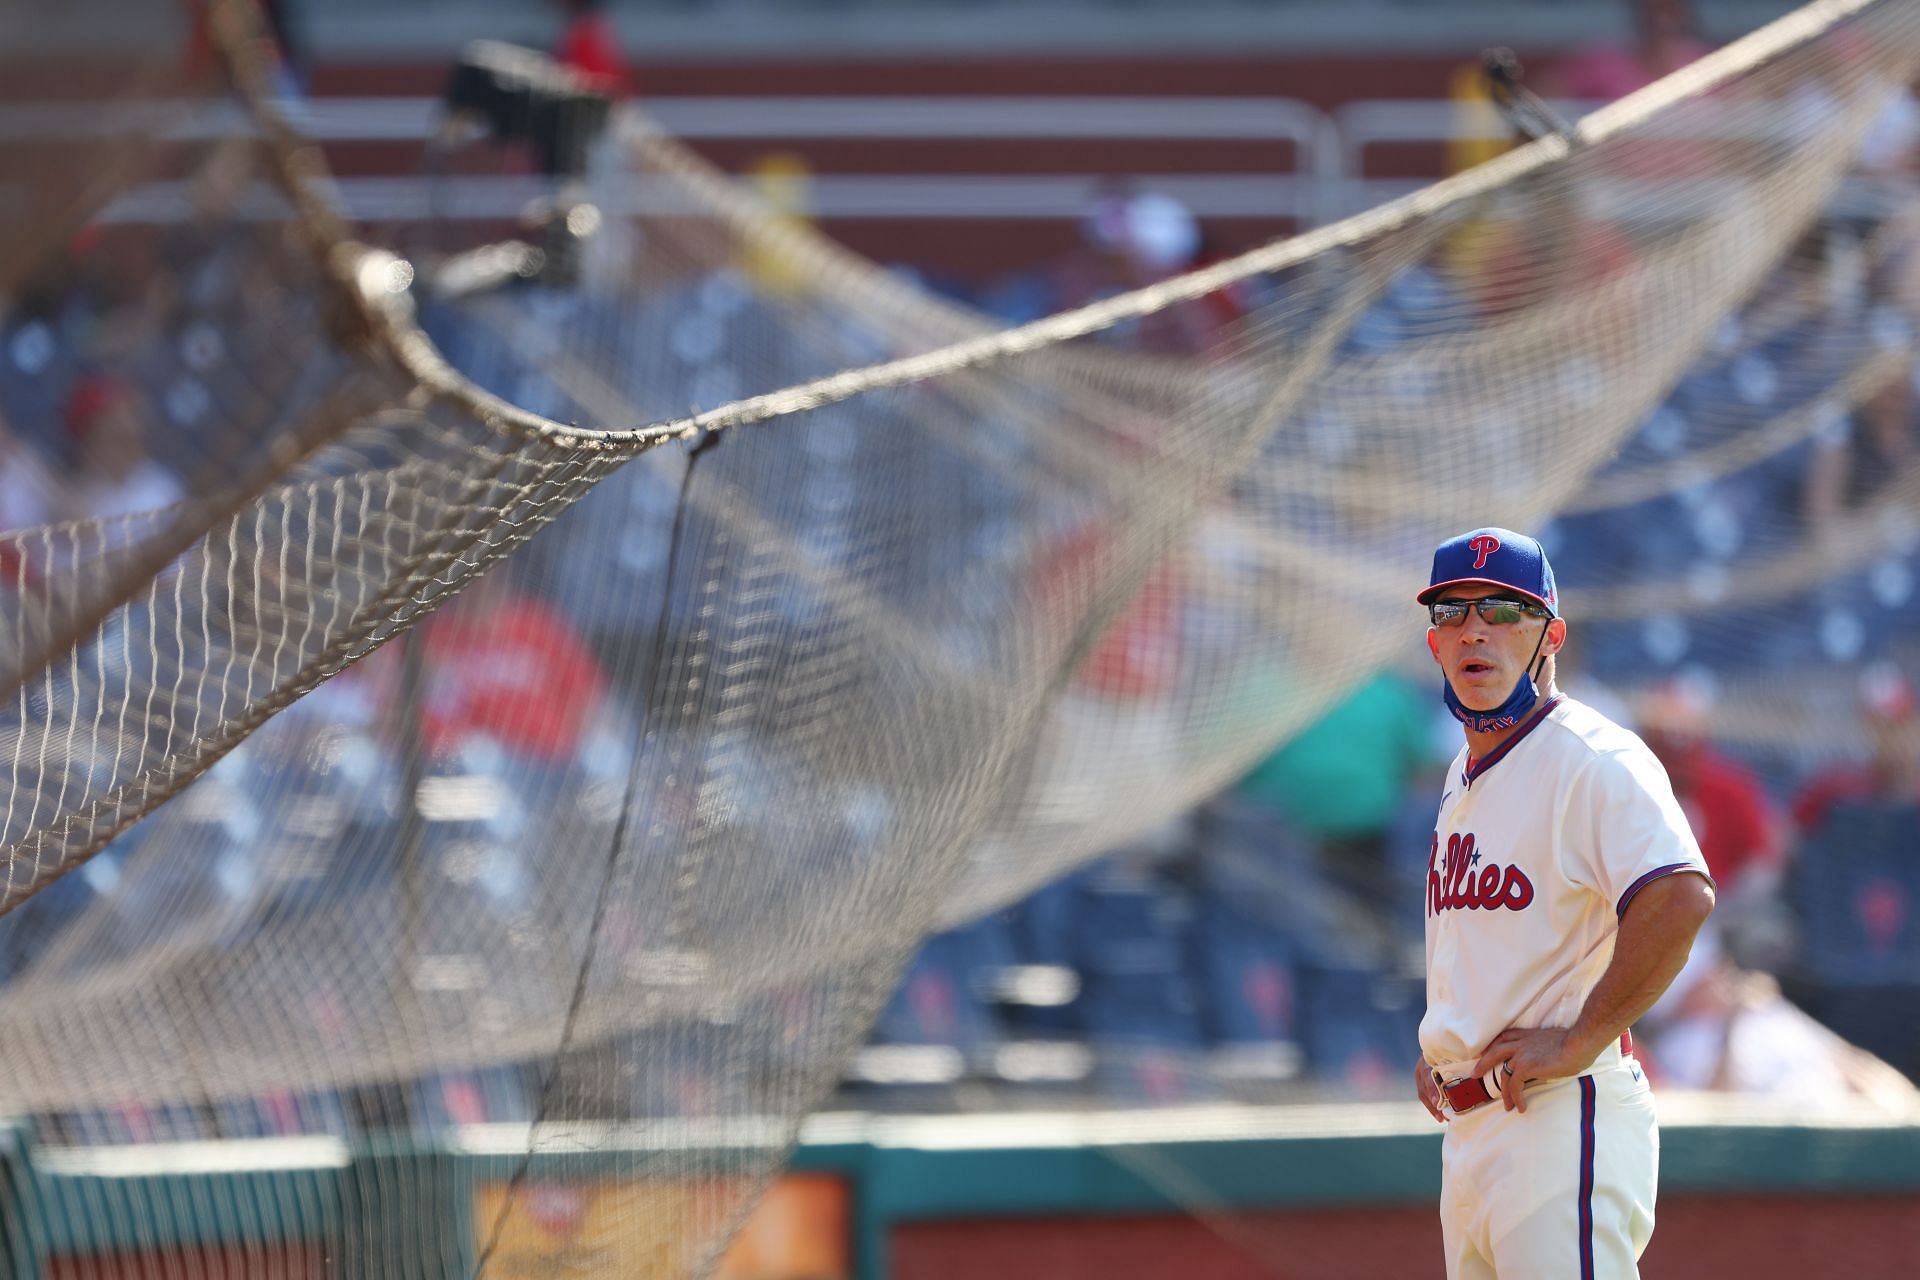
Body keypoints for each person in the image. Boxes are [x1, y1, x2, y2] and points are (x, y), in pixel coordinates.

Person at [1410, 527, 1716, 1280]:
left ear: (1552, 635)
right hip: (1474, 1128)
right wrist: (1448, 1044)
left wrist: (1580, 1036)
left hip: (1557, 1114)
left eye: (1503, 610)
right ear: (1433, 641)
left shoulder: (1592, 756)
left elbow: (1681, 895)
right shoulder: (1463, 773)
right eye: (1453, 611)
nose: (1474, 628)